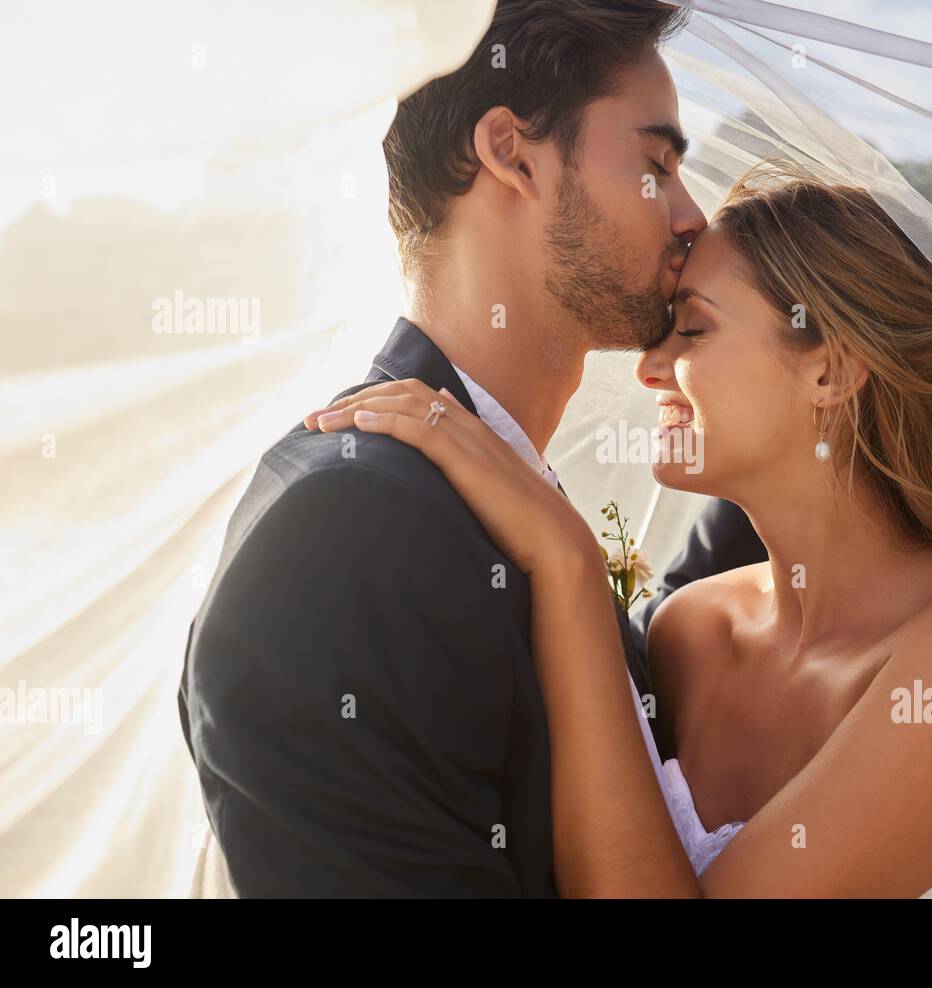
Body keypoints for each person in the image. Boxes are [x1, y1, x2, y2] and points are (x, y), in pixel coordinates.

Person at [311, 168, 932, 897]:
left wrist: (569, 564)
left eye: (690, 330)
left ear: (829, 370)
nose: (649, 369)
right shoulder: (689, 634)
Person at [178, 0, 708, 897]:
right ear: (512, 153)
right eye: (656, 164)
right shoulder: (349, 528)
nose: (693, 217)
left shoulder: (490, 494)